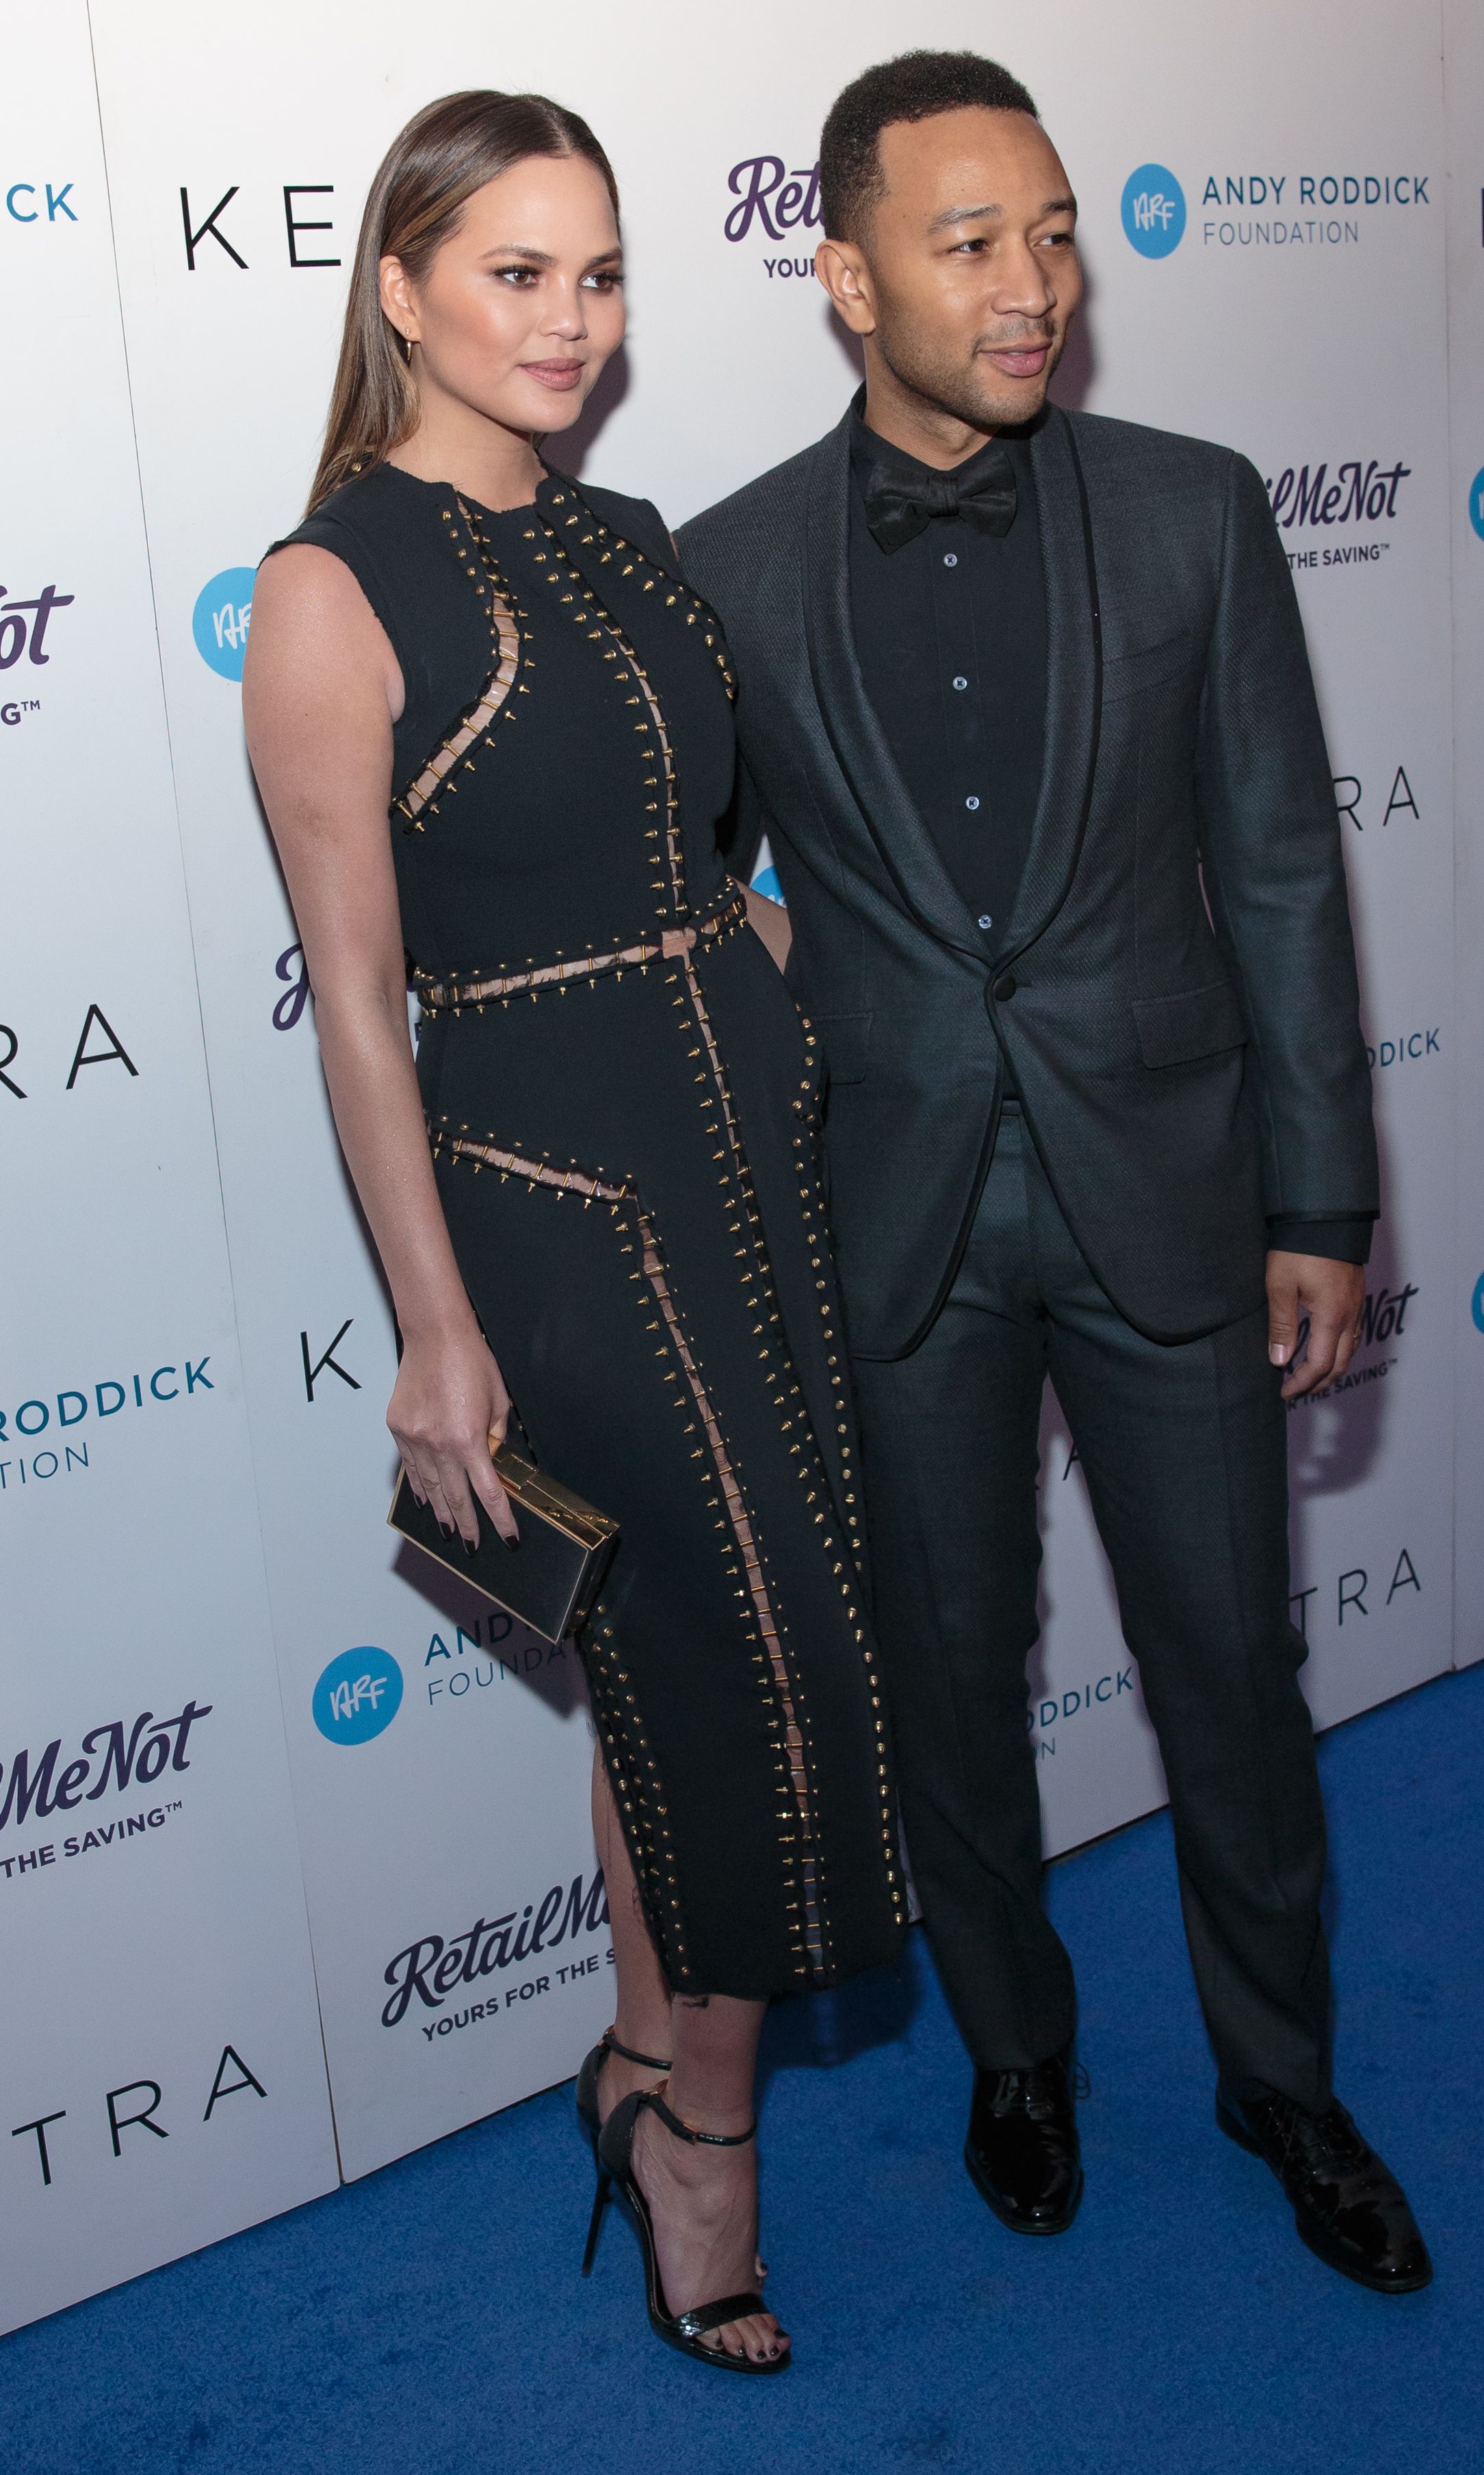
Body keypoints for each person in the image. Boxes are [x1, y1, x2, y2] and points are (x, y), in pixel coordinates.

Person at [680, 50, 1431, 2292]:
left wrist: (1319, 1199)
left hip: (1172, 1193)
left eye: (1054, 233)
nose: (1033, 286)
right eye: (969, 244)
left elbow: (1278, 868)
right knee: (944, 1678)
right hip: (891, 1221)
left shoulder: (1196, 511)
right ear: (846, 279)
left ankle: (1280, 2078)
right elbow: (671, 889)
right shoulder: (724, 570)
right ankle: (1017, 2051)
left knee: (1228, 1668)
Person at [244, 89, 904, 2374]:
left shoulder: (627, 540)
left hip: (745, 1149)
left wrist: (841, 992)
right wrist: (432, 1327)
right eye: (516, 271)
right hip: (554, 1195)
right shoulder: (331, 587)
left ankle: (637, 2058)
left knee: (664, 1659)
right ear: (401, 285)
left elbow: (698, 873)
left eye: (599, 272)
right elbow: (357, 1000)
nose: (570, 319)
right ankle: (700, 2146)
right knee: (761, 1669)